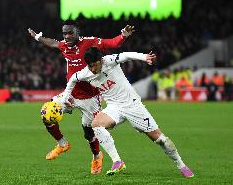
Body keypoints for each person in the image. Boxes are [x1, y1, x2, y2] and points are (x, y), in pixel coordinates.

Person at [62, 48, 194, 178]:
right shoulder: (86, 73)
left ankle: (181, 165)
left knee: (161, 140)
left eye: (95, 65)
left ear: (101, 60)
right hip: (114, 107)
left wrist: (144, 57)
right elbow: (73, 79)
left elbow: (126, 55)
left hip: (133, 105)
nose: (93, 69)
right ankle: (117, 161)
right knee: (96, 124)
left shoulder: (109, 61)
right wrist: (66, 97)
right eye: (90, 66)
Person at [28, 20, 135, 174]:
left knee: (89, 132)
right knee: (47, 113)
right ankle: (63, 144)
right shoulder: (64, 45)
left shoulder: (90, 43)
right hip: (70, 94)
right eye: (64, 33)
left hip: (90, 98)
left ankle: (97, 156)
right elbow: (53, 43)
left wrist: (123, 35)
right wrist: (38, 38)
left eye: (70, 32)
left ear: (77, 31)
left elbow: (112, 44)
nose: (67, 36)